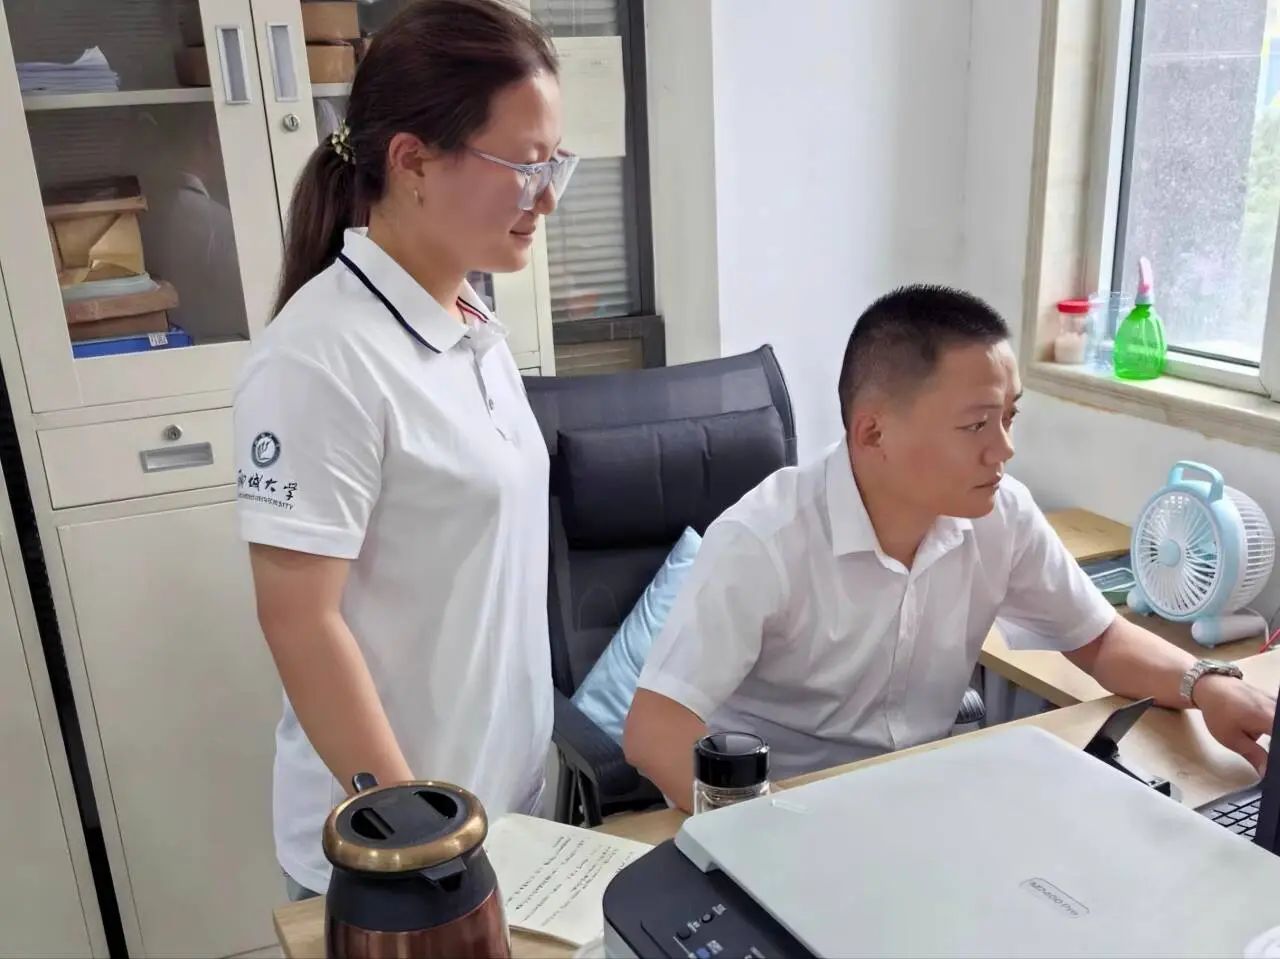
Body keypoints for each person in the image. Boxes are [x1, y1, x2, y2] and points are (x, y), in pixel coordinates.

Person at [624, 285, 1277, 812]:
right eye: (976, 425)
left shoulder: (1002, 514)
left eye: (1009, 417)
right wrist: (767, 838)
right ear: (873, 432)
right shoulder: (763, 540)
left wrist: (1205, 684)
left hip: (928, 797)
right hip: (786, 807)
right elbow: (655, 731)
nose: (1004, 449)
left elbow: (1100, 640)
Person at [233, 0, 577, 897]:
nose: (545, 198)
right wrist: (415, 827)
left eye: (555, 166)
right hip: (397, 846)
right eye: (524, 167)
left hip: (503, 811)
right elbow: (299, 620)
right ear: (414, 161)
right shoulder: (320, 358)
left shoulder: (472, 320)